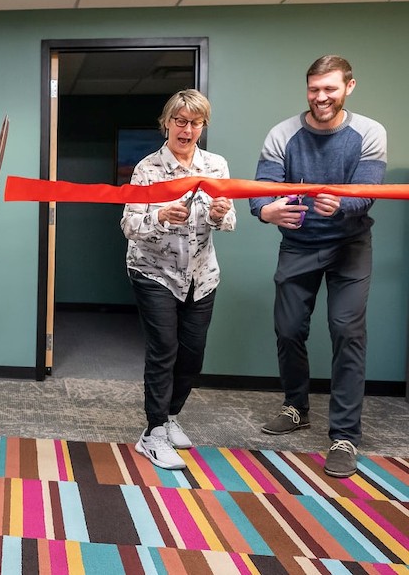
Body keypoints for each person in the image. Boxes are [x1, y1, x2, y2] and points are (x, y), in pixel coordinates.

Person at [249, 55, 387, 479]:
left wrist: (340, 204)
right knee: (288, 329)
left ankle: (344, 435)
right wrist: (264, 211)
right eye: (314, 89)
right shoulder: (282, 134)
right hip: (299, 244)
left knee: (347, 331)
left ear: (349, 86)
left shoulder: (369, 132)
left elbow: (366, 191)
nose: (321, 97)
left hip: (350, 245)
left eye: (330, 88)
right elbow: (262, 190)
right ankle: (296, 407)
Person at [122, 89, 236, 470]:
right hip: (153, 272)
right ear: (167, 123)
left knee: (192, 355)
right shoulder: (147, 169)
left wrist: (220, 213)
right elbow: (129, 225)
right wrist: (159, 218)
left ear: (203, 126)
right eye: (180, 121)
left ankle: (170, 416)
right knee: (163, 349)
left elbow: (230, 222)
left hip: (201, 275)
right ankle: (152, 433)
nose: (186, 130)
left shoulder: (216, 166)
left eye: (195, 122)